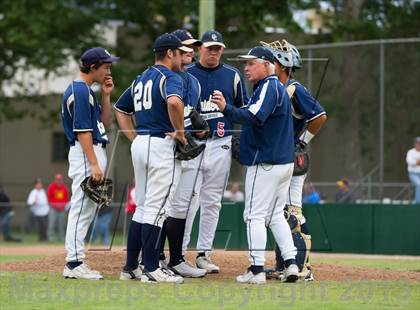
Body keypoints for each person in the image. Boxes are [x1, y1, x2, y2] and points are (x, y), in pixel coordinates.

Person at [212, 46, 298, 284]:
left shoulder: (270, 87)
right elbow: (254, 114)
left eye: (251, 63)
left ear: (267, 64)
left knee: (254, 216)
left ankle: (257, 270)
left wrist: (225, 109)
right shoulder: (271, 87)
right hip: (282, 162)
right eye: (245, 64)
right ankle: (291, 264)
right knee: (275, 216)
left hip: (267, 162)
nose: (246, 68)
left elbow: (254, 117)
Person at [114, 33, 189, 283]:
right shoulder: (170, 77)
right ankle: (151, 268)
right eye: (179, 53)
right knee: (157, 209)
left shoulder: (140, 78)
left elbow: (120, 109)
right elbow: (175, 103)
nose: (182, 57)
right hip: (160, 144)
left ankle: (130, 267)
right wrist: (180, 131)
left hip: (141, 144)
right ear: (169, 54)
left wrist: (135, 138)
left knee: (143, 208)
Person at [183, 30, 249, 273]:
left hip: (221, 142)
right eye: (209, 47)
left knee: (212, 203)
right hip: (193, 144)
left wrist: (229, 112)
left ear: (222, 50)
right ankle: (179, 254)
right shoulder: (187, 73)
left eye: (217, 48)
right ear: (200, 48)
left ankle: (203, 253)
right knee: (189, 201)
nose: (213, 52)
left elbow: (244, 110)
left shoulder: (232, 75)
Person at [269, 39, 327, 281]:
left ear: (282, 64)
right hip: (279, 158)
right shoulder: (273, 88)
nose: (267, 63)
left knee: (293, 212)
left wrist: (301, 141)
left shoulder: (294, 89)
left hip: (294, 158)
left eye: (271, 60)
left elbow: (320, 116)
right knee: (279, 213)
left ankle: (302, 268)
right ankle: (285, 264)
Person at [61, 46, 119, 280]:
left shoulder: (87, 91)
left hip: (92, 150)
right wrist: (94, 164)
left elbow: (101, 124)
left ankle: (75, 261)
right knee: (81, 209)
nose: (108, 69)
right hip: (87, 153)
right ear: (92, 67)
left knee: (86, 209)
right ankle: (74, 263)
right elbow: (83, 131)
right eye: (105, 66)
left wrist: (106, 95)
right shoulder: (80, 91)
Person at [156, 29, 207, 278]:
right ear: (174, 51)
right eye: (186, 47)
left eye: (193, 48)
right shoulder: (162, 77)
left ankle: (175, 259)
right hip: (164, 148)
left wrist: (197, 130)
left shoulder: (193, 81)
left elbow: (191, 114)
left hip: (186, 151)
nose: (191, 52)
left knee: (180, 206)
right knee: (159, 205)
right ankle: (155, 258)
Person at [47, 173, 69, 242]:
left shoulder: (65, 188)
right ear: (55, 180)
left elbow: (67, 199)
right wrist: (55, 205)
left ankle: (61, 237)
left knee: (61, 224)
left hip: (62, 209)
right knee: (51, 223)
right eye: (57, 179)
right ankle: (50, 237)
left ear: (62, 180)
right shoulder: (51, 187)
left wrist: (62, 206)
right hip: (53, 208)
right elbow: (49, 199)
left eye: (60, 179)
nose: (59, 181)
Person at [406, 137, 420, 203]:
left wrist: (417, 162)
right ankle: (418, 203)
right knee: (419, 184)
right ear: (415, 144)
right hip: (413, 174)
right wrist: (416, 162)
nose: (418, 145)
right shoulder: (410, 152)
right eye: (417, 143)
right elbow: (409, 161)